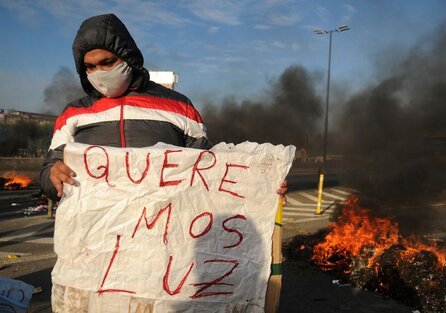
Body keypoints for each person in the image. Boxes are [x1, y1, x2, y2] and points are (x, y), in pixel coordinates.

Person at [40, 13, 287, 312]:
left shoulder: (178, 106)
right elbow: (49, 170)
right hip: (97, 251)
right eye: (89, 66)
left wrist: (260, 186)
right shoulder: (73, 114)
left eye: (106, 62)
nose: (99, 72)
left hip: (162, 250)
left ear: (126, 56)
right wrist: (51, 175)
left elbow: (209, 172)